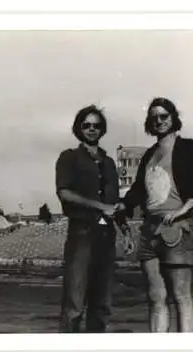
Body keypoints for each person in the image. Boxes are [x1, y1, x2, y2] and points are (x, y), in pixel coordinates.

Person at [117, 97, 193, 332]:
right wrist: (124, 205)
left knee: (181, 296)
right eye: (154, 118)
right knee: (156, 298)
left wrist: (183, 210)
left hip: (176, 229)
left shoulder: (189, 148)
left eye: (164, 116)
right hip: (149, 231)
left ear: (173, 117)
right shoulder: (149, 154)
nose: (159, 121)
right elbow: (138, 191)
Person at [55, 104, 130, 333]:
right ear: (79, 128)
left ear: (102, 129)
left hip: (106, 237)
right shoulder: (69, 158)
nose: (91, 129)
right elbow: (64, 192)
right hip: (82, 235)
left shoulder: (108, 163)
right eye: (86, 125)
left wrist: (126, 231)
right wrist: (100, 206)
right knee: (75, 305)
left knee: (102, 305)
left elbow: (115, 202)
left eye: (96, 125)